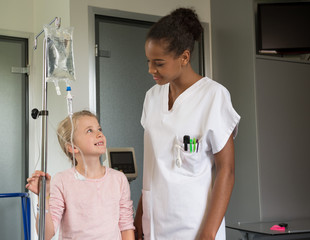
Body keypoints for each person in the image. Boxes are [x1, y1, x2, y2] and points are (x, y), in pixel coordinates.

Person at [134, 8, 241, 240]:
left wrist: (208, 233)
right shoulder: (152, 97)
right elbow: (152, 167)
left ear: (184, 57)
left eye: (159, 63)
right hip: (153, 224)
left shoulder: (214, 96)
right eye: (149, 62)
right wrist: (139, 218)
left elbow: (227, 171)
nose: (151, 70)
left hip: (194, 226)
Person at [26, 110, 135, 240]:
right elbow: (46, 234)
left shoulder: (118, 179)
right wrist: (43, 198)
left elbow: (126, 227)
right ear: (72, 147)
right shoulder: (62, 181)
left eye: (99, 129)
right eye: (90, 131)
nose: (99, 134)